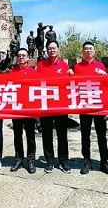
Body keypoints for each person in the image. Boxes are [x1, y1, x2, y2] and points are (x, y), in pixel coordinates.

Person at [72, 41, 108, 175]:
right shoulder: (77, 67)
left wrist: (105, 77)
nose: (88, 50)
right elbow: (72, 84)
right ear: (83, 51)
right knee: (85, 134)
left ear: (94, 51)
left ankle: (104, 162)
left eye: (90, 48)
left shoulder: (100, 66)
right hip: (84, 105)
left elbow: (106, 86)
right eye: (86, 49)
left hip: (99, 105)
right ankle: (87, 161)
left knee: (102, 135)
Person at [36, 40, 71, 173]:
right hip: (46, 104)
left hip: (61, 105)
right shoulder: (41, 64)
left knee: (62, 134)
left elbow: (69, 83)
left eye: (54, 48)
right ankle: (49, 161)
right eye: (49, 48)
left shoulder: (64, 65)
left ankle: (63, 161)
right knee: (47, 134)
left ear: (58, 49)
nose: (52, 50)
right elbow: (35, 81)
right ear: (47, 50)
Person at [9, 48, 37, 173]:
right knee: (17, 135)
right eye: (19, 55)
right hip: (16, 108)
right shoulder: (12, 71)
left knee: (30, 135)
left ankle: (31, 160)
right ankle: (18, 159)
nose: (21, 57)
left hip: (29, 109)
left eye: (23, 55)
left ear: (27, 57)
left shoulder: (33, 72)